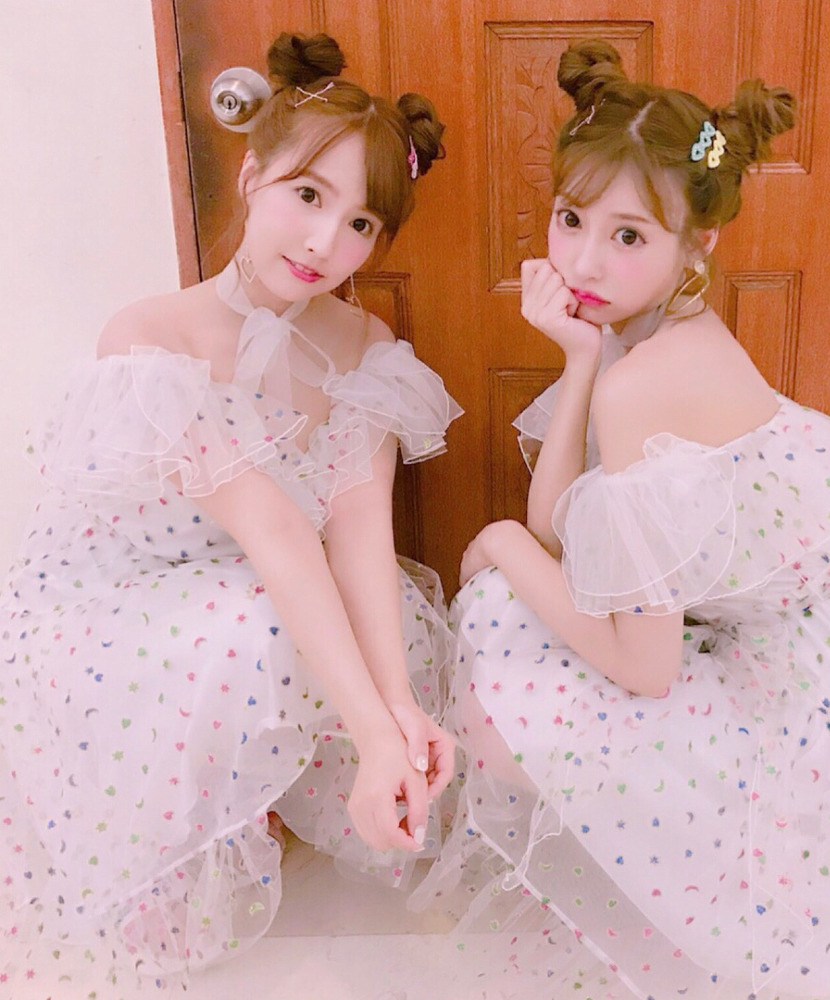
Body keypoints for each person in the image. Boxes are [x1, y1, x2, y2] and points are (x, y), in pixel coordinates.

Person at [412, 39, 830, 1000]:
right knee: (510, 601)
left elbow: (641, 665)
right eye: (571, 219)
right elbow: (562, 530)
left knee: (502, 628)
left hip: (803, 694)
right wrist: (577, 359)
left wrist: (498, 544)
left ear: (701, 244)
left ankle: (684, 898)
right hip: (789, 641)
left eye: (629, 237)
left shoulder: (651, 379)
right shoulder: (645, 332)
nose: (582, 262)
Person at [0, 31, 461, 991]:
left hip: (258, 579)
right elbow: (275, 528)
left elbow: (358, 533)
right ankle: (192, 846)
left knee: (379, 626)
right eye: (308, 196)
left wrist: (400, 707)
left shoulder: (363, 342)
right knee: (255, 622)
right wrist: (373, 734)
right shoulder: (150, 334)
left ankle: (289, 796)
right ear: (251, 176)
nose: (326, 244)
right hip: (123, 596)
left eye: (362, 222)